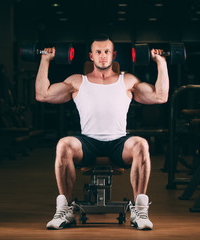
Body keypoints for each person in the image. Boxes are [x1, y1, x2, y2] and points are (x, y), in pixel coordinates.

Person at [35, 34, 169, 230]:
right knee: (63, 145)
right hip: (87, 142)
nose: (103, 56)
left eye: (107, 51)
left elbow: (160, 96)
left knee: (141, 144)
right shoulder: (77, 81)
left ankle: (140, 211)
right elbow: (42, 94)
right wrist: (45, 60)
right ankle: (65, 210)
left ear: (113, 54)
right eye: (98, 52)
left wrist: (161, 62)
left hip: (119, 143)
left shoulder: (128, 81)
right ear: (91, 56)